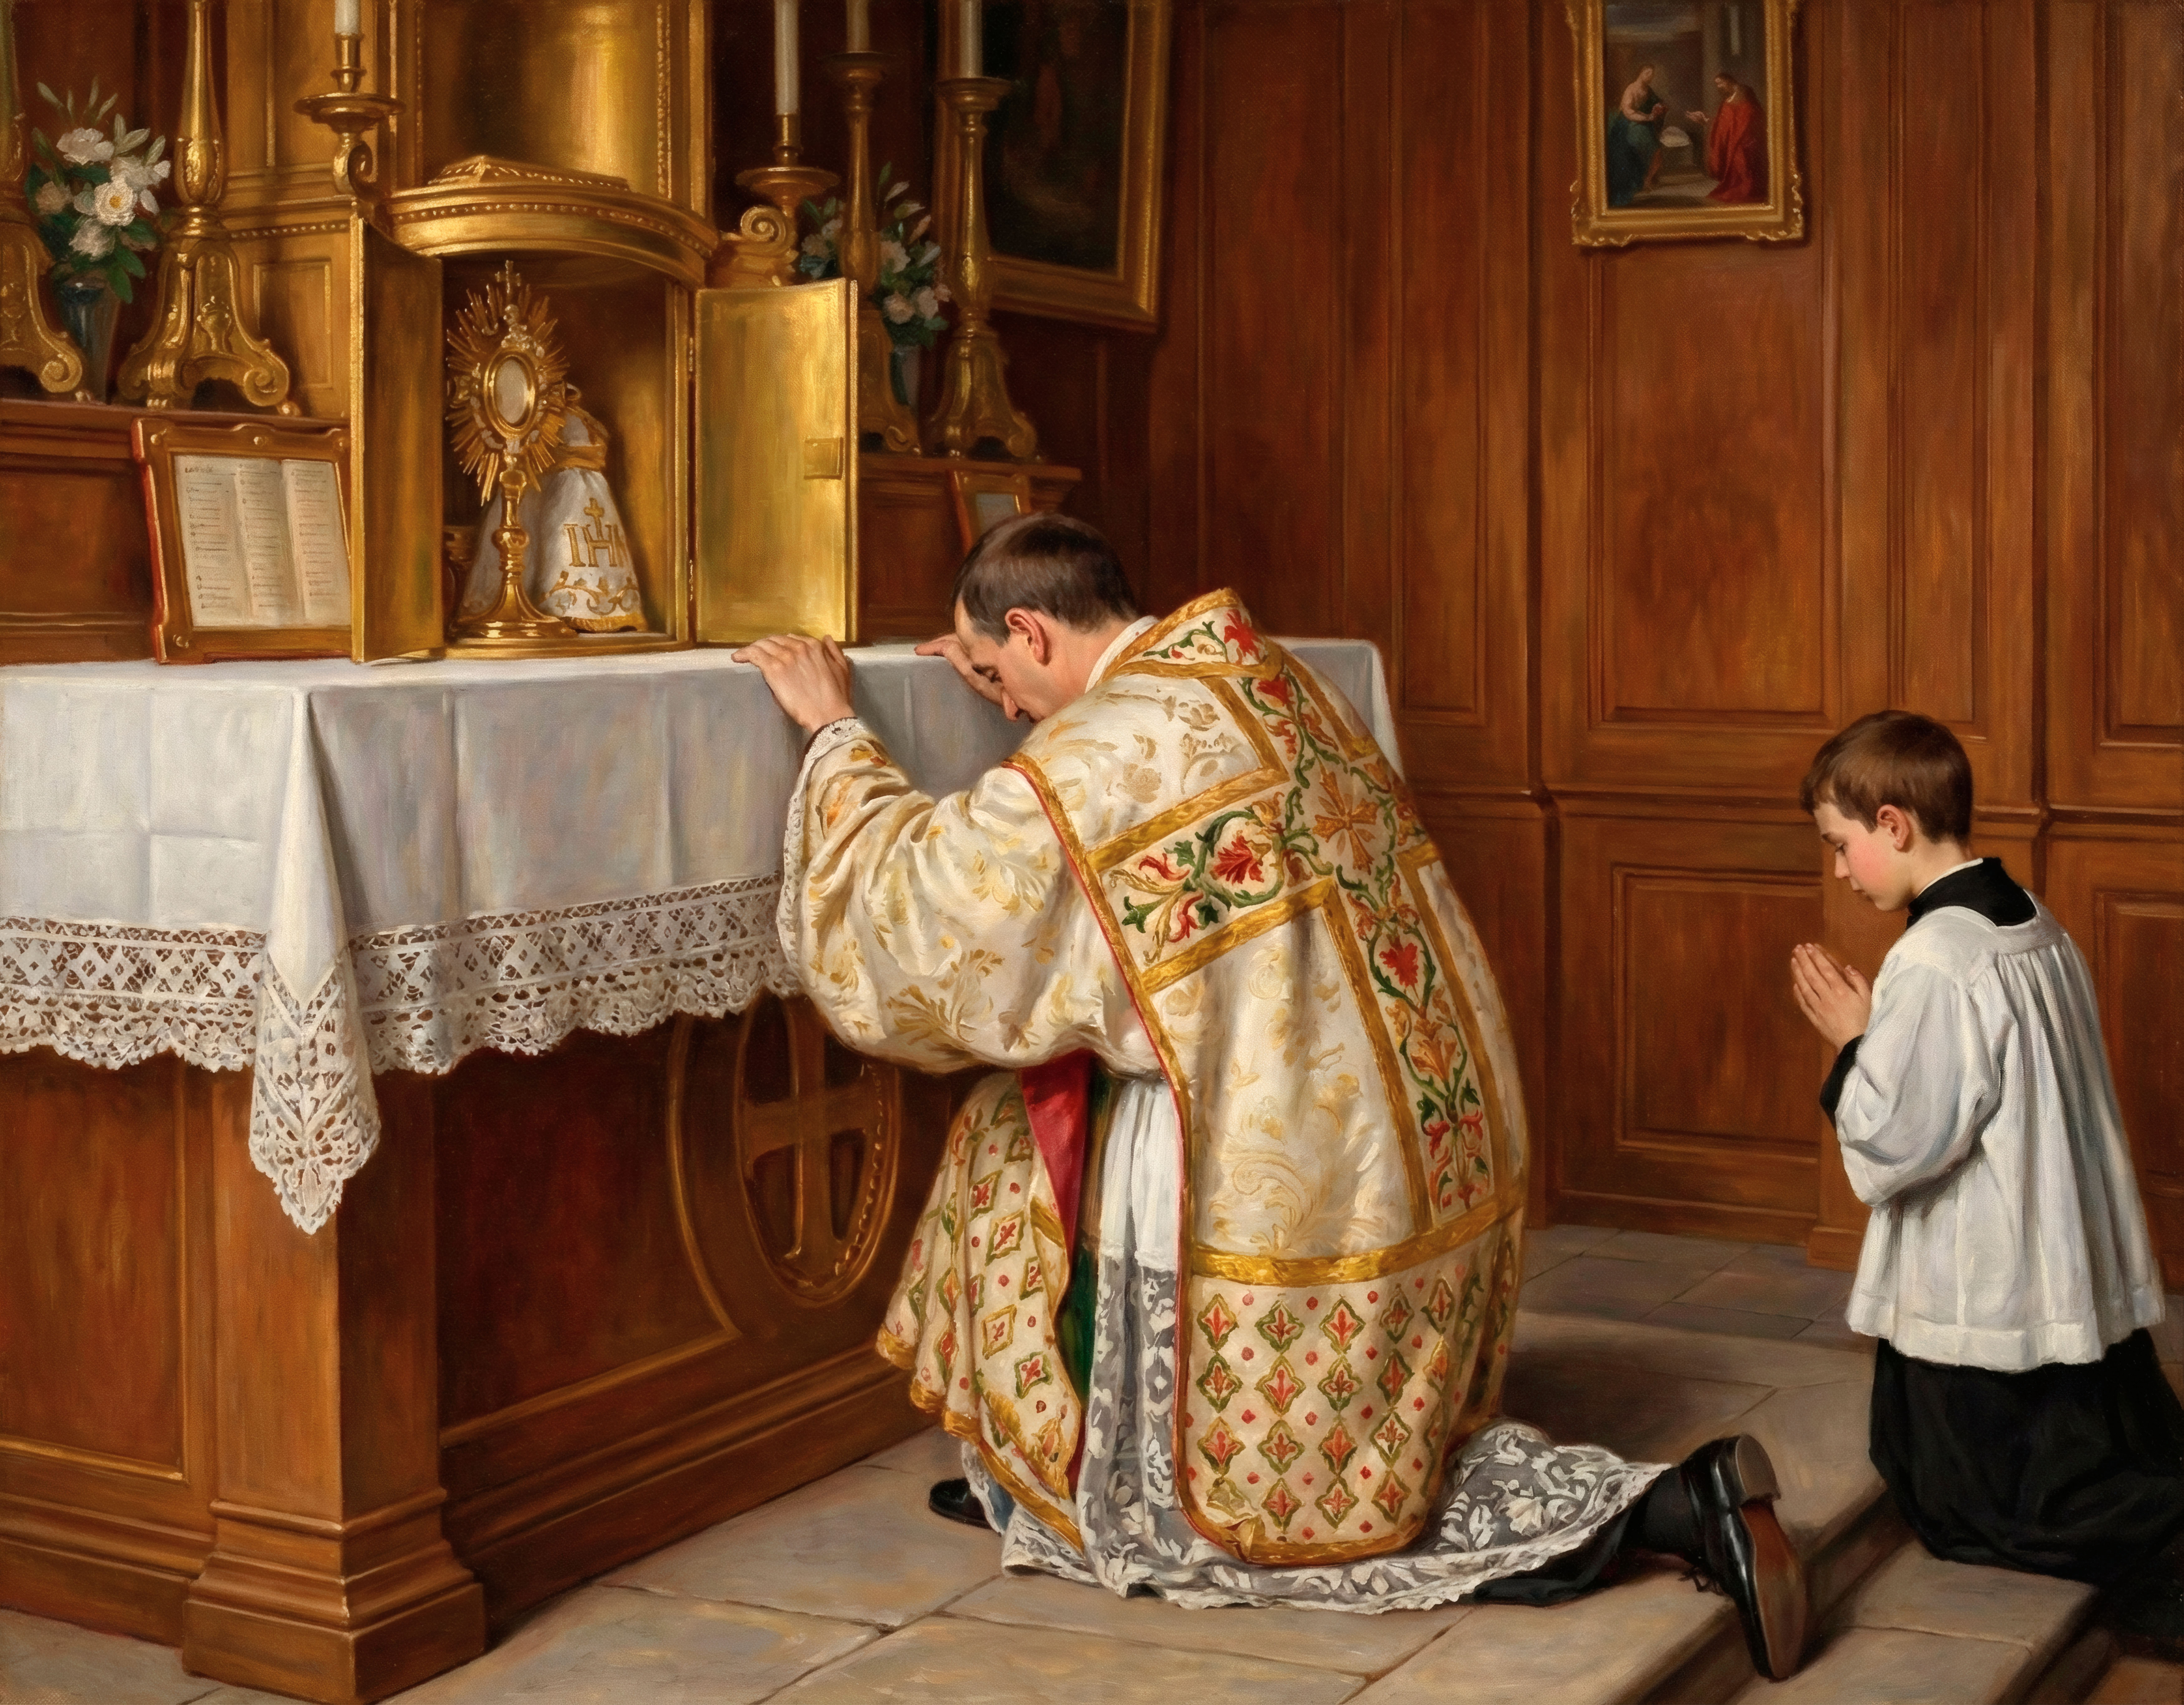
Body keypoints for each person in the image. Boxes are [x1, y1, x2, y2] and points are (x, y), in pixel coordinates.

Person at [734, 514, 1804, 1679]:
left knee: (1240, 1524)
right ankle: (1066, 1469)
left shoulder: (1104, 756)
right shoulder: (1250, 672)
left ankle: (1661, 1511)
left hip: (1285, 1169)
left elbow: (920, 910)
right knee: (1009, 1136)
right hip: (1411, 1144)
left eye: (998, 674)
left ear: (1036, 628)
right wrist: (987, 661)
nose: (1000, 707)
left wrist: (838, 729)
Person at [1789, 711, 2184, 1583]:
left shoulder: (1936, 956)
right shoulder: (2029, 918)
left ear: (1892, 823)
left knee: (1968, 1508)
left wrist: (1856, 1042)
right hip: (2055, 1264)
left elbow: (1899, 1148)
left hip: (1991, 1293)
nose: (1840, 870)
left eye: (1840, 843)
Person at [1685, 72, 1767, 203]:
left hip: (1745, 140)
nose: (1719, 87)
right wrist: (1704, 120)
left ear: (1728, 81)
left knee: (1743, 166)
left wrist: (1741, 136)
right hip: (1733, 140)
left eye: (1720, 83)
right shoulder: (1729, 100)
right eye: (1717, 84)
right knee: (1735, 169)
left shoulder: (1744, 96)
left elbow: (1750, 117)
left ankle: (1749, 191)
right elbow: (1723, 123)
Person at [1607, 65, 1668, 206]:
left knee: (1656, 150)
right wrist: (1648, 118)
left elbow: (1658, 103)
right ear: (1640, 73)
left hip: (1643, 123)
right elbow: (1628, 112)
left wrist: (1661, 109)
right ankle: (1642, 181)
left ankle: (1647, 180)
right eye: (1647, 73)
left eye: (1652, 75)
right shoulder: (1632, 89)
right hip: (1628, 124)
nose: (1650, 77)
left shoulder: (1648, 90)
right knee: (1646, 149)